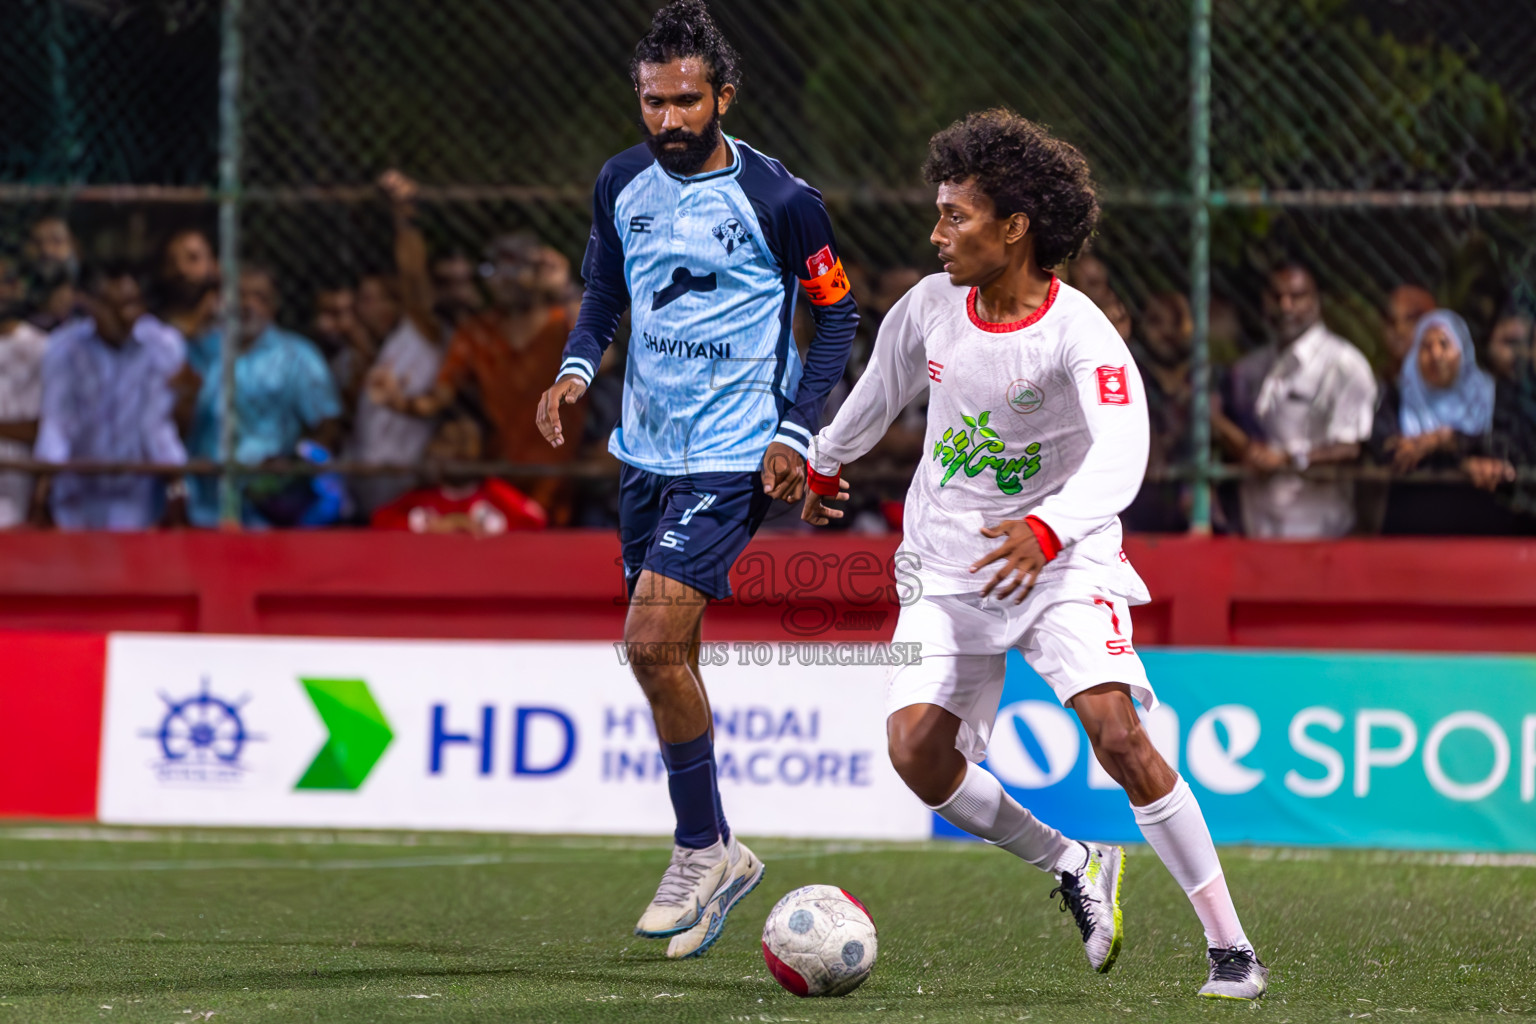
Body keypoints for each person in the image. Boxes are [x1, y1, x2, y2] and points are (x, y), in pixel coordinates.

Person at [802, 109, 1267, 1000]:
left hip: (1060, 562)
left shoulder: (1081, 334)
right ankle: (1072, 861)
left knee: (1118, 736)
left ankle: (1231, 950)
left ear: (1014, 228)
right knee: (915, 754)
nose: (936, 234)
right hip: (946, 565)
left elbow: (1126, 452)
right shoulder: (931, 307)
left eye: (955, 216)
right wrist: (824, 462)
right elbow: (875, 395)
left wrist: (1051, 528)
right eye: (937, 212)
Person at [535, 0, 857, 960]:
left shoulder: (782, 200)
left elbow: (837, 316)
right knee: (671, 656)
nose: (668, 121)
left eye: (685, 102)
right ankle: (724, 854)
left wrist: (797, 431)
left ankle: (698, 845)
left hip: (733, 455)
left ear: (723, 95)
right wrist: (575, 371)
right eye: (652, 103)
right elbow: (606, 290)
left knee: (647, 644)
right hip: (645, 453)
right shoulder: (621, 182)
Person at [374, 232, 577, 520]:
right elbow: (440, 395)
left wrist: (564, 287)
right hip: (501, 472)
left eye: (517, 268)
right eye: (496, 269)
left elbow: (603, 358)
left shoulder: (564, 323)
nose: (507, 280)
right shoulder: (477, 333)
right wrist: (398, 401)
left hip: (563, 472)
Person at [185, 265, 343, 527]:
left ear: (274, 305)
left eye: (259, 297)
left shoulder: (298, 357)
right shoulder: (203, 349)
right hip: (204, 506)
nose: (247, 304)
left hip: (266, 511)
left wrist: (292, 463)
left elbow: (328, 428)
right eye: (239, 295)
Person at [1225, 262, 1375, 538]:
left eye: (1297, 296)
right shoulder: (1250, 367)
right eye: (1276, 297)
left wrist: (1287, 459)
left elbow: (1350, 449)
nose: (1285, 306)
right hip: (1255, 528)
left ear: (1316, 301)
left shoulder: (1343, 364)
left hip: (1318, 530)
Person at [34, 263, 187, 530]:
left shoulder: (162, 345)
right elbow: (58, 421)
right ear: (91, 304)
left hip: (137, 496)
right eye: (114, 306)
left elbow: (156, 423)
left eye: (132, 304)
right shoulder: (64, 348)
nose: (126, 316)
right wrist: (44, 485)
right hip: (77, 495)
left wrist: (175, 483)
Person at [349, 171, 452, 517]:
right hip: (362, 473)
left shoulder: (420, 334)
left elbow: (413, 279)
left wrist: (404, 217)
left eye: (379, 299)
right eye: (364, 300)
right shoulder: (367, 349)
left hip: (403, 474)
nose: (370, 308)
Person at [1370, 310, 1518, 534]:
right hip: (1411, 527)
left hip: (1483, 528)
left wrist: (1446, 440)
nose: (1436, 354)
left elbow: (1507, 448)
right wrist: (1460, 459)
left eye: (1444, 344)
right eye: (1425, 347)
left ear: (1463, 350)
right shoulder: (1399, 396)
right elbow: (1387, 450)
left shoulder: (1492, 395)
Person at [371, 406, 547, 536]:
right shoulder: (423, 498)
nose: (459, 458)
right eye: (452, 449)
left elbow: (534, 520)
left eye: (465, 453)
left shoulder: (492, 493)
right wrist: (430, 526)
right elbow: (380, 520)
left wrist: (489, 529)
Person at [1124, 292, 1193, 532]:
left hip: (1191, 509)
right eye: (1154, 322)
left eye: (1176, 321)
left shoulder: (1203, 380)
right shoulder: (1134, 375)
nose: (1166, 332)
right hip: (1139, 509)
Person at [0, 254, 48, 527]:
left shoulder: (45, 349)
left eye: (6, 282)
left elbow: (50, 428)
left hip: (22, 499)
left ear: (19, 288)